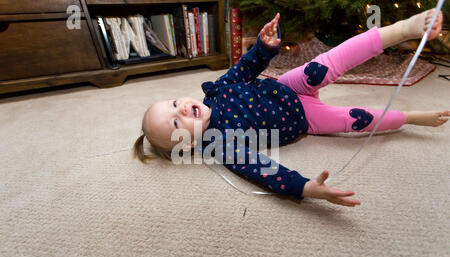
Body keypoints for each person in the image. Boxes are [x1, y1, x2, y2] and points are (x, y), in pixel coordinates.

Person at [134, 10, 447, 207]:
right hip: (304, 120)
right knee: (356, 120)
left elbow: (248, 66)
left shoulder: (216, 91)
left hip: (289, 85)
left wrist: (264, 47)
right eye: (175, 123)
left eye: (175, 104)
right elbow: (261, 169)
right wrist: (305, 188)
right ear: (186, 146)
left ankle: (403, 29)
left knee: (326, 63)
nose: (182, 110)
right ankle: (411, 117)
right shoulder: (221, 144)